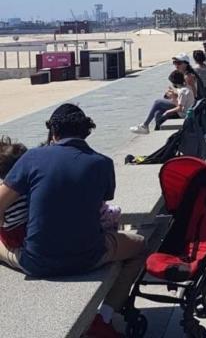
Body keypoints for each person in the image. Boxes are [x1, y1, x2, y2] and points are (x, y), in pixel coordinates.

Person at [0, 104, 146, 337]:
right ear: (85, 131)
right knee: (138, 245)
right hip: (89, 256)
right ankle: (104, 317)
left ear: (53, 132)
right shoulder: (103, 163)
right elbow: (99, 202)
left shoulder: (32, 157)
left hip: (35, 260)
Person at [130, 70, 195, 133]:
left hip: (183, 113)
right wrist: (173, 94)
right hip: (183, 110)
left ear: (174, 82)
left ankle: (145, 125)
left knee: (157, 102)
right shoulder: (186, 88)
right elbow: (182, 100)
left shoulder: (182, 91)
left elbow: (180, 108)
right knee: (157, 112)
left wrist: (168, 110)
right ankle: (155, 130)